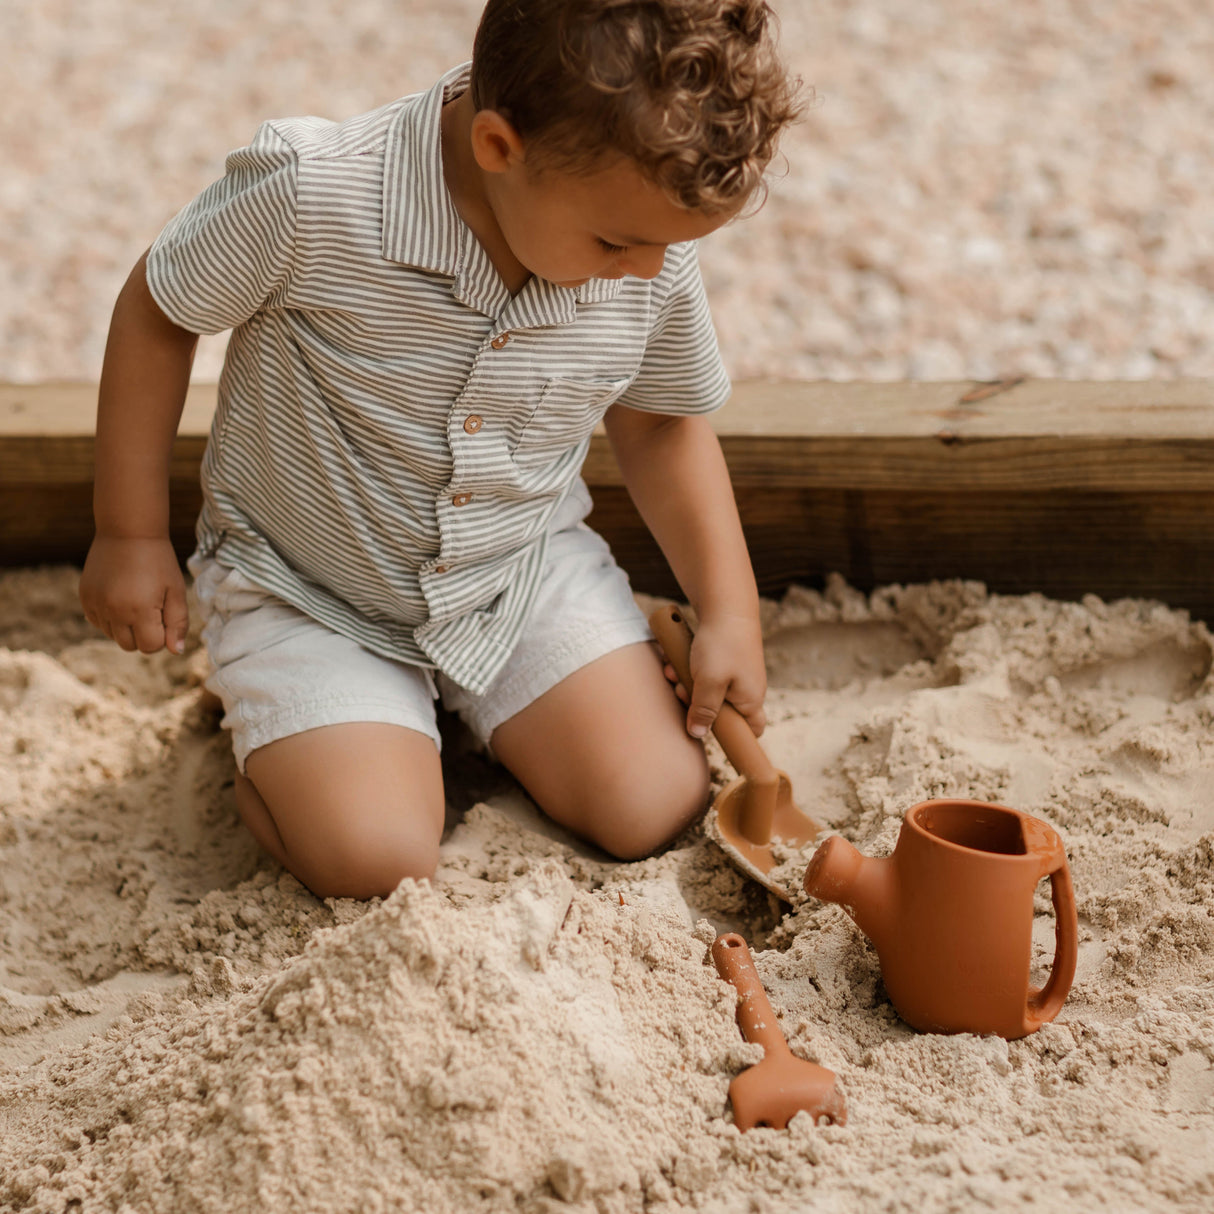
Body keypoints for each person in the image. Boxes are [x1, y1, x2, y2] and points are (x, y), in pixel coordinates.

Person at [79, 0, 803, 898]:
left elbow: (660, 423)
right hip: (312, 586)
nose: (648, 273)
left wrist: (727, 608)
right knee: (377, 860)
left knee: (652, 801)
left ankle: (521, 688)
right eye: (620, 241)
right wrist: (130, 532)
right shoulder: (317, 193)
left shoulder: (638, 241)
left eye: (665, 247)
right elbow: (159, 308)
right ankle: (281, 750)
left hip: (514, 569)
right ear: (500, 148)